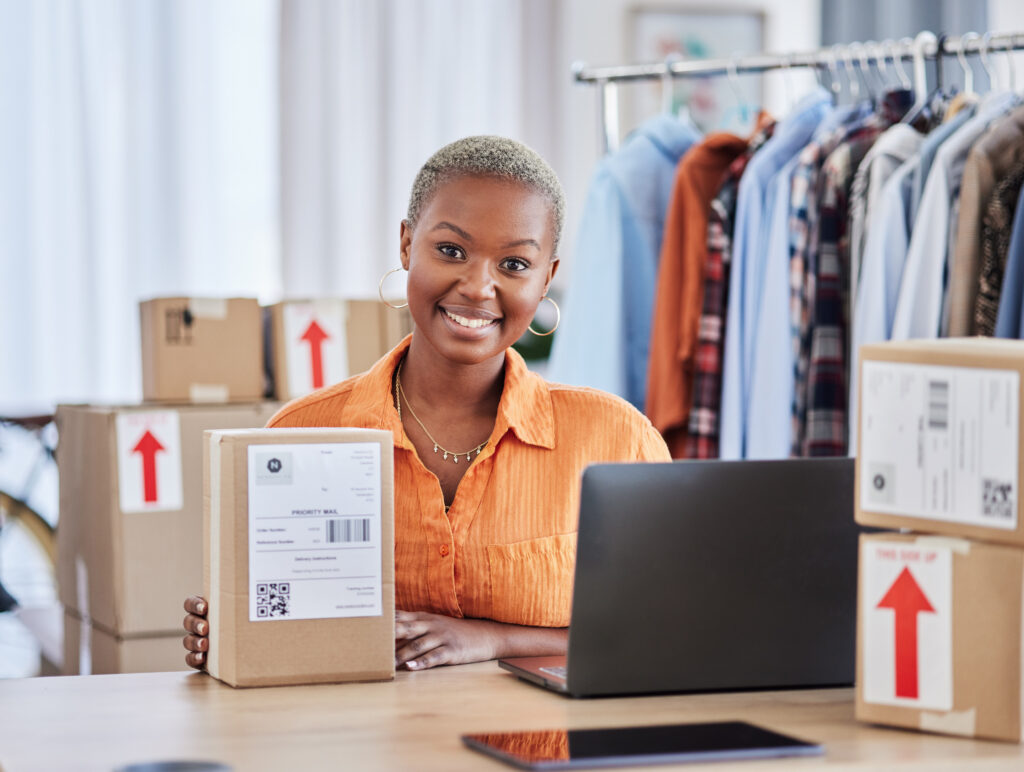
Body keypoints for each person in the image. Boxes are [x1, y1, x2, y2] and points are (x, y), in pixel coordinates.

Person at [183, 136, 670, 672]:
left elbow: (665, 628)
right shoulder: (299, 435)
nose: (479, 287)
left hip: (546, 751)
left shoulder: (616, 439)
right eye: (452, 251)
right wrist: (226, 634)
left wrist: (492, 639)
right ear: (406, 245)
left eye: (513, 264)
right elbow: (270, 632)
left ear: (546, 279)